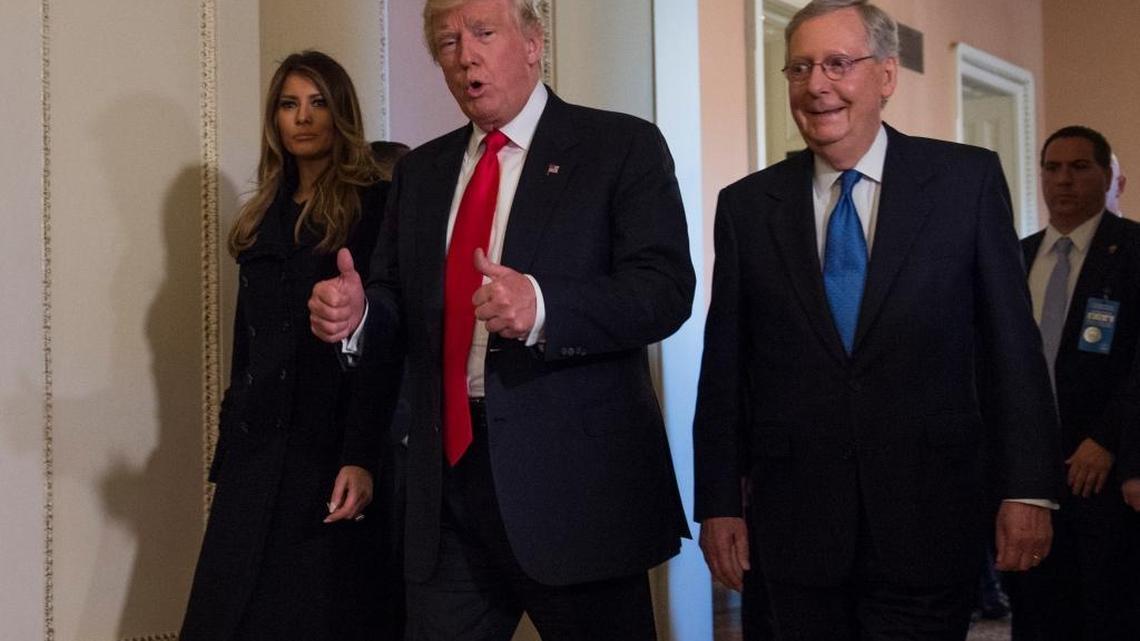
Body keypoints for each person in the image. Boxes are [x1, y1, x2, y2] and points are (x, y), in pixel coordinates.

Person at [308, 1, 695, 639]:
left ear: (534, 41)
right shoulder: (421, 172)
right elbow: (396, 303)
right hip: (449, 493)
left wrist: (544, 306)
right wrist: (358, 315)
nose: (465, 55)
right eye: (447, 42)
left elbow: (664, 290)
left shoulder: (618, 146)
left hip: (576, 495)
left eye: (483, 33)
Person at [692, 1, 1061, 639]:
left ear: (886, 76)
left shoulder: (962, 184)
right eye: (800, 67)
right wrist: (719, 502)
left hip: (929, 514)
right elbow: (726, 366)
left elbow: (1011, 347)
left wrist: (1028, 487)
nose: (816, 85)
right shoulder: (748, 208)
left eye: (838, 63)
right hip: (796, 526)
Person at [179, 50, 402, 641]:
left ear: (341, 112)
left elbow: (388, 347)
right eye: (289, 103)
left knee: (314, 615)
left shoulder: (372, 207)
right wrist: (230, 449)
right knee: (225, 617)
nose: (303, 117)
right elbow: (245, 348)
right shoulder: (260, 219)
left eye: (318, 102)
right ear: (274, 119)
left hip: (327, 449)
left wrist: (362, 454)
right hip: (257, 450)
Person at [1005, 126, 1140, 641]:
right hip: (1027, 474)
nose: (1064, 180)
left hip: (1103, 471)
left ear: (1108, 177)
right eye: (1053, 168)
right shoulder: (1015, 256)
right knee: (1037, 611)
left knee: (1108, 611)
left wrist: (1108, 439)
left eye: (1080, 167)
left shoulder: (1131, 251)